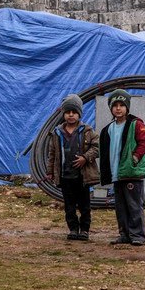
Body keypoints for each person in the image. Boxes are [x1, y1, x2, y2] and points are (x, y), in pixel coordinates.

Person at [46, 94, 100, 241]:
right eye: (68, 112)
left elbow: (97, 148)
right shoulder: (57, 132)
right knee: (69, 206)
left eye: (74, 112)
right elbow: (52, 154)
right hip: (65, 176)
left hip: (82, 176)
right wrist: (50, 171)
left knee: (84, 205)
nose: (71, 115)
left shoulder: (87, 131)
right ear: (63, 114)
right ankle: (73, 229)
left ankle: (84, 230)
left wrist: (85, 157)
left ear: (79, 114)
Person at [99, 89, 145, 246]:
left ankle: (138, 235)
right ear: (111, 108)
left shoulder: (136, 124)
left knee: (134, 205)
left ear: (127, 107)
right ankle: (124, 234)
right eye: (115, 105)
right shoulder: (108, 129)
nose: (118, 108)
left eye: (122, 105)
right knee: (120, 207)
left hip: (131, 172)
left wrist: (135, 157)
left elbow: (144, 142)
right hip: (117, 174)